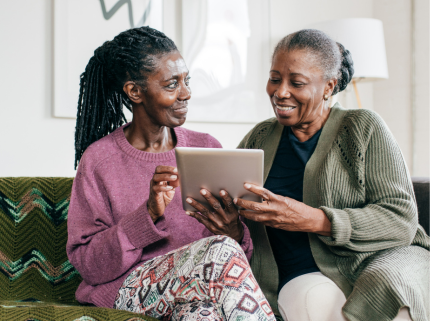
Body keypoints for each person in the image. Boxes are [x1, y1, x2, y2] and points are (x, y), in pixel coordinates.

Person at [189, 29, 429, 321]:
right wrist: (231, 230)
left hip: (366, 262)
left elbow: (401, 219)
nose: (280, 92)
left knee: (374, 286)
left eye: (296, 82)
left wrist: (314, 219)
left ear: (329, 86)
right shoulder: (260, 136)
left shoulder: (363, 127)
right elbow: (240, 223)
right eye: (275, 79)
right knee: (305, 297)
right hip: (287, 278)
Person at [66, 26, 275, 321]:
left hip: (198, 290)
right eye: (171, 84)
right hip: (127, 290)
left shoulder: (207, 147)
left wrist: (233, 231)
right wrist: (148, 213)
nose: (186, 93)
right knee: (220, 250)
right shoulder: (99, 160)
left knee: (202, 315)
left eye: (186, 81)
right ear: (135, 91)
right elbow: (89, 264)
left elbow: (236, 255)